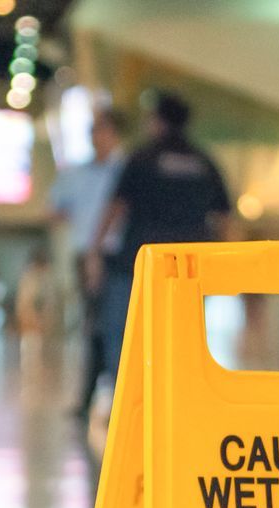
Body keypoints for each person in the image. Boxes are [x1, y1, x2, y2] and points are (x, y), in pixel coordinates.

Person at [87, 92, 231, 407]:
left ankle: (130, 400)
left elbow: (116, 208)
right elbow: (225, 218)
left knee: (123, 333)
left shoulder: (141, 158)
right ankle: (175, 400)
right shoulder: (204, 162)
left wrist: (94, 252)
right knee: (183, 336)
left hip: (139, 263)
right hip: (192, 270)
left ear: (158, 121)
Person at [48, 107, 126, 416]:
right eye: (94, 132)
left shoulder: (125, 171)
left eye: (104, 131)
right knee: (93, 326)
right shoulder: (75, 173)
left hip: (118, 257)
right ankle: (91, 396)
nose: (98, 138)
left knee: (115, 328)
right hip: (86, 256)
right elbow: (53, 208)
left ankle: (117, 397)